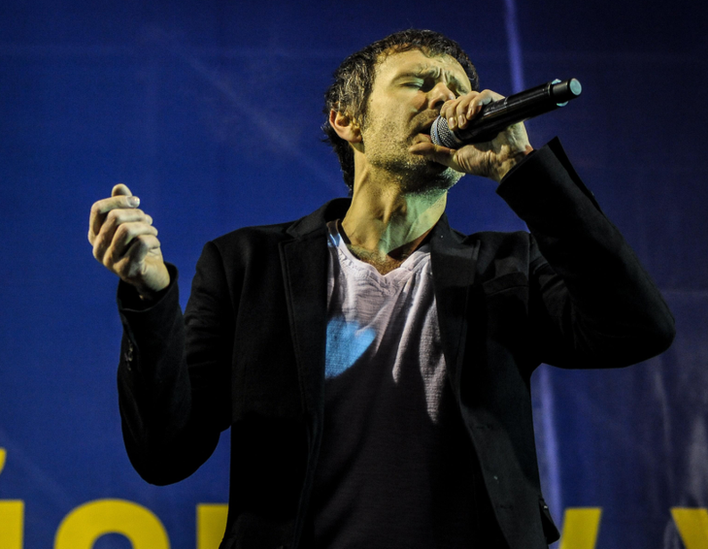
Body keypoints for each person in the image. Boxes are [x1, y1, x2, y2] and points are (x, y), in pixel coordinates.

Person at [87, 29, 674, 549]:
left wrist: (520, 166)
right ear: (348, 119)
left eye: (456, 87)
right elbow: (165, 451)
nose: (445, 98)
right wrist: (150, 294)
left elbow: (637, 328)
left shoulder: (507, 267)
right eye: (418, 82)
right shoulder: (248, 265)